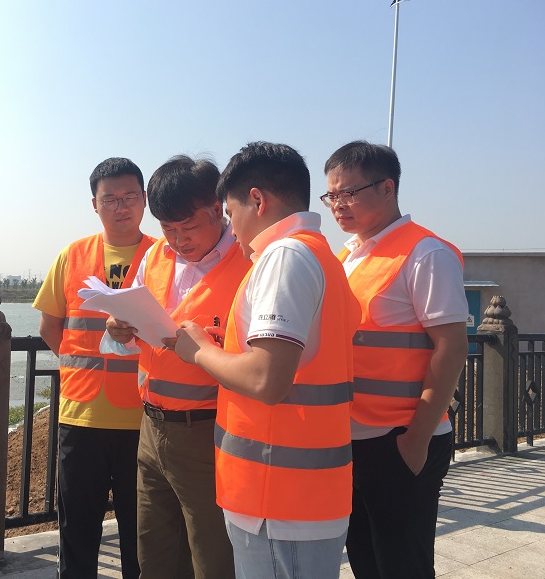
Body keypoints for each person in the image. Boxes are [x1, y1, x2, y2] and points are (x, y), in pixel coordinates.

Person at [172, 142, 360, 579]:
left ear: (257, 200)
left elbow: (266, 379)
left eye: (230, 212)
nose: (231, 228)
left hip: (278, 500)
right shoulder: (320, 254)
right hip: (297, 496)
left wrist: (200, 350)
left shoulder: (285, 257)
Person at [321, 141, 468, 578]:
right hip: (352, 438)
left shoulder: (426, 252)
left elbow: (451, 346)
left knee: (403, 564)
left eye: (349, 193)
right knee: (366, 559)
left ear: (387, 188)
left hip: (399, 437)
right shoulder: (347, 256)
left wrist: (416, 440)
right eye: (331, 195)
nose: (338, 205)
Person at [106, 155, 250, 579]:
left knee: (212, 555)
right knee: (154, 553)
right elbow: (133, 329)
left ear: (217, 209)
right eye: (168, 228)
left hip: (210, 430)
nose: (178, 240)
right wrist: (118, 328)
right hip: (152, 427)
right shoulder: (155, 256)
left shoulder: (249, 261)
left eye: (188, 227)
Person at [33, 157, 154, 579]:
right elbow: (50, 326)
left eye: (130, 197)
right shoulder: (73, 255)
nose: (122, 207)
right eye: (110, 199)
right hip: (81, 415)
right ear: (94, 204)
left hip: (145, 417)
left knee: (142, 535)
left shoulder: (165, 256)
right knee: (77, 530)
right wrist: (82, 365)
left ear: (144, 200)